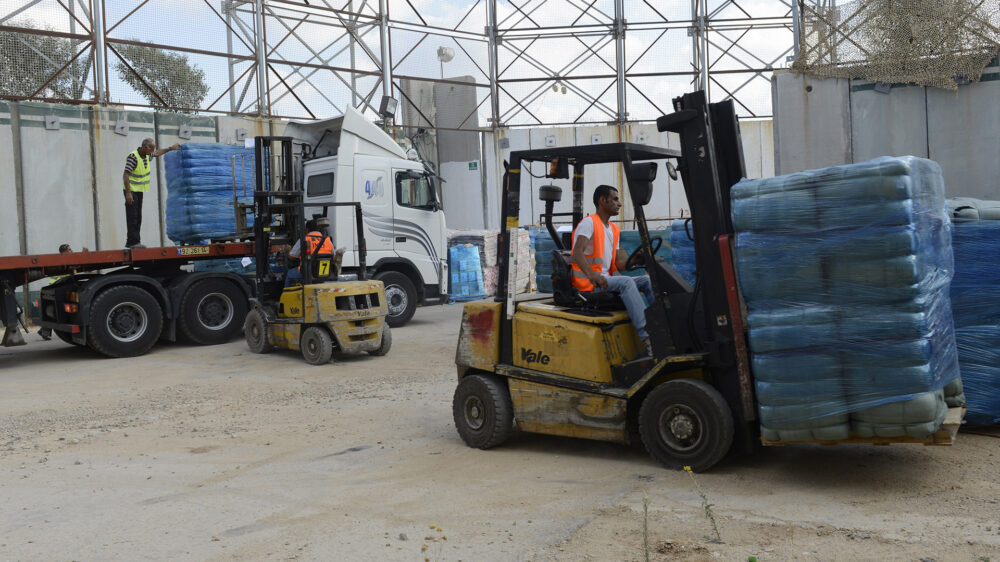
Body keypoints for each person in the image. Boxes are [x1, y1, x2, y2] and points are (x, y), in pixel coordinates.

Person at [570, 184, 656, 356]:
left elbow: (618, 265)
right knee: (626, 282)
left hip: (606, 279)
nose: (619, 204)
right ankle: (647, 338)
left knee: (646, 280)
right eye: (615, 199)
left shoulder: (614, 230)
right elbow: (577, 253)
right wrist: (592, 274)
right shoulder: (589, 223)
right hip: (590, 283)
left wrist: (635, 259)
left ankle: (661, 327)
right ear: (603, 200)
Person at [123, 138, 179, 249]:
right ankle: (133, 242)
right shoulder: (133, 157)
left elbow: (157, 153)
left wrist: (170, 148)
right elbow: (126, 174)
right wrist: (128, 193)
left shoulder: (147, 155)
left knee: (138, 217)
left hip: (139, 190)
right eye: (150, 150)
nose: (151, 153)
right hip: (131, 191)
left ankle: (133, 242)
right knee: (132, 217)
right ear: (144, 147)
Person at [38, 244, 85, 340]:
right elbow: (76, 264)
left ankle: (43, 331)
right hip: (60, 288)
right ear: (64, 252)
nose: (71, 251)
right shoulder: (64, 260)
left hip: (59, 287)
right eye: (69, 249)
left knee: (55, 312)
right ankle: (44, 331)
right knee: (57, 311)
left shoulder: (62, 260)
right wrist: (84, 254)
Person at [284, 218, 335, 288]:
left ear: (307, 229)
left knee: (290, 274)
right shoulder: (327, 240)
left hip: (308, 272)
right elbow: (333, 256)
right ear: (318, 229)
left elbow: (291, 256)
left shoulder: (304, 239)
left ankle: (287, 297)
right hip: (324, 273)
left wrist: (288, 250)